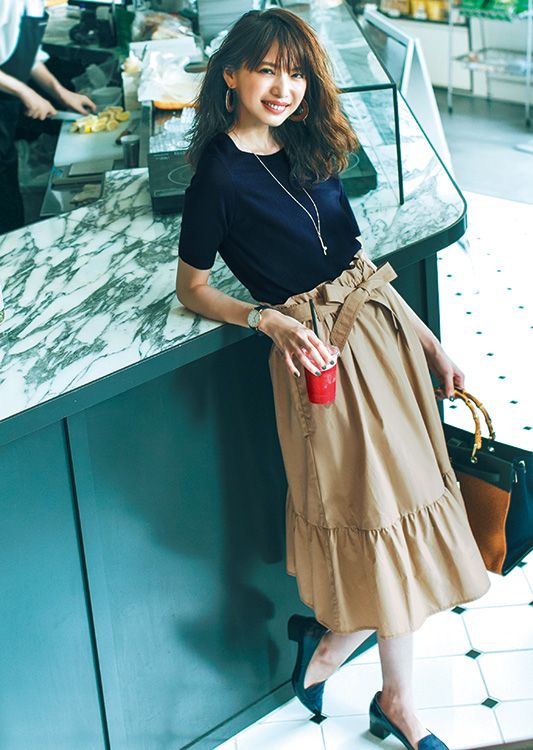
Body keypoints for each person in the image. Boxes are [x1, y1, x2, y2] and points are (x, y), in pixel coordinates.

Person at [175, 9, 491, 749]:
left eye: (294, 73)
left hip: (380, 340)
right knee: (375, 519)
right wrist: (266, 321)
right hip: (321, 363)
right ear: (231, 74)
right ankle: (379, 689)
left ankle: (355, 667)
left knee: (406, 508)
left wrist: (428, 343)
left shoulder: (306, 140)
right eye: (266, 70)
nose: (282, 88)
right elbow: (192, 288)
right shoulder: (217, 174)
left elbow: (358, 265)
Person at [0, 0, 96, 233]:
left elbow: (29, 57)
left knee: (6, 189)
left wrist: (61, 93)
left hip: (5, 106)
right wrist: (24, 92)